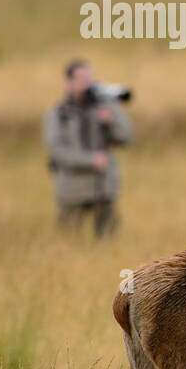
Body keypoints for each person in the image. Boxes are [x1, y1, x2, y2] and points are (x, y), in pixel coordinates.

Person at [43, 59, 133, 238]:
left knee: (108, 241)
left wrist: (111, 122)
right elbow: (56, 151)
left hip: (103, 187)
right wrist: (90, 160)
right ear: (69, 82)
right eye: (81, 78)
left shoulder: (105, 107)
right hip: (71, 189)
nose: (87, 83)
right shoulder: (57, 114)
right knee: (67, 241)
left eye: (89, 78)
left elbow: (127, 138)